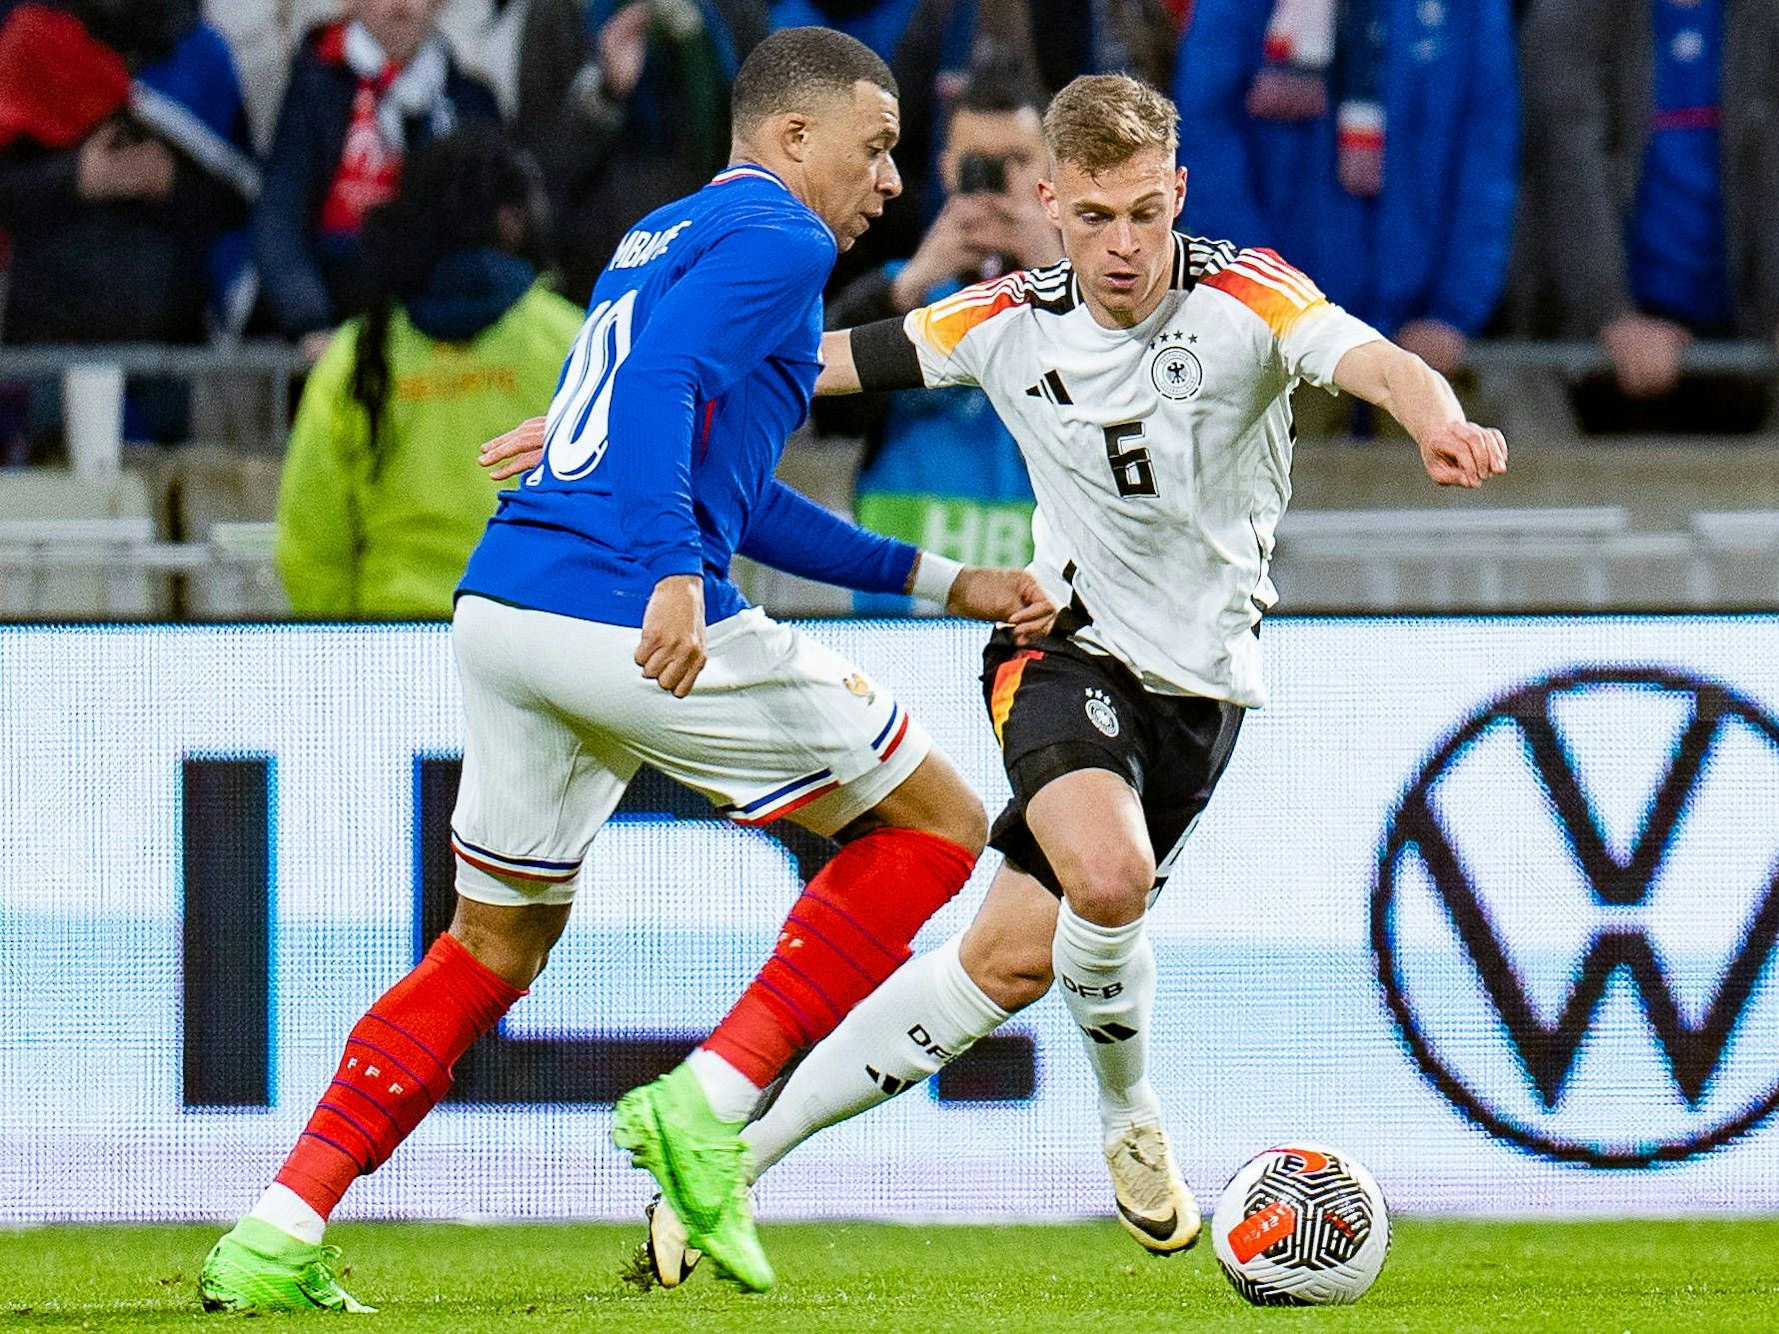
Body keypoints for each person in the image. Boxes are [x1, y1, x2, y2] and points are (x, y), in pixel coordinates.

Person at [491, 71, 1506, 1284]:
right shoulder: (1002, 317)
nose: (1122, 245)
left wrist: (1437, 419)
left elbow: (1381, 362)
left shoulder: (1251, 294)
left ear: (1179, 193)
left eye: (1145, 213)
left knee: (1009, 961)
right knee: (1109, 876)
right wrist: (600, 416)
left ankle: (734, 1159)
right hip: (1058, 641)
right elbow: (803, 363)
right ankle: (1130, 1116)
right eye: (1095, 217)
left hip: (1204, 689)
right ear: (1051, 204)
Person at [198, 26, 1052, 1313]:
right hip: (618, 603)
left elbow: (732, 487)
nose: (892, 179)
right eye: (876, 148)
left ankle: (276, 1227)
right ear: (794, 137)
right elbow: (660, 387)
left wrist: (940, 580)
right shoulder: (785, 239)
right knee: (938, 820)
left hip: (506, 605)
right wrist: (670, 571)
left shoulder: (660, 233)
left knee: (492, 941)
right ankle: (708, 1100)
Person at [274, 129, 582, 617]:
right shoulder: (573, 340)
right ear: (510, 221)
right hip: (533, 633)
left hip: (391, 637)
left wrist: (343, 637)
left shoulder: (359, 352)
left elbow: (310, 536)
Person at [818, 57, 1061, 611]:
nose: (998, 181)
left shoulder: (1102, 301)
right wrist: (910, 287)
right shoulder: (898, 292)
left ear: (1054, 171)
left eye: (1017, 161)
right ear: (948, 166)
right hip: (903, 610)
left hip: (1039, 609)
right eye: (979, 163)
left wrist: (1061, 277)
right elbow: (824, 413)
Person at [1173, 0, 1517, 383]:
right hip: (1275, 333)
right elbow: (1205, 141)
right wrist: (1261, 296)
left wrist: (1450, 312)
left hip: (1419, 332)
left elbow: (1487, 151)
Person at [1515, 0, 1779, 433]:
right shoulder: (1570, 19)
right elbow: (1567, 169)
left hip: (1747, 336)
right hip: (1598, 348)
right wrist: (1608, 314)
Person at [253, 0, 500, 352]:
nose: (400, 4)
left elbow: (490, 231)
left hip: (445, 339)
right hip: (335, 329)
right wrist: (310, 322)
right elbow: (280, 218)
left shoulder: (471, 103)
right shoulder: (315, 88)